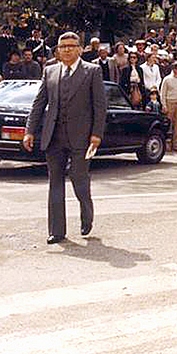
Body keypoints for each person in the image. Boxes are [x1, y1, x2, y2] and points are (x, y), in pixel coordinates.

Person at [23, 32, 107, 244]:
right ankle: (57, 231)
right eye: (63, 47)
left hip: (82, 138)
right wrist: (29, 131)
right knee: (55, 183)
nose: (67, 50)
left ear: (80, 49)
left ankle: (86, 213)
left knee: (79, 179)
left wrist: (96, 135)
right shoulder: (50, 71)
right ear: (58, 51)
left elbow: (100, 106)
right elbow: (39, 103)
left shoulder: (92, 71)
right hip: (54, 137)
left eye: (71, 46)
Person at [160, 62, 177, 152]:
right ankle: (167, 144)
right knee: (168, 124)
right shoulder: (167, 79)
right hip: (169, 103)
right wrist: (164, 105)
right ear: (174, 69)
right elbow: (163, 93)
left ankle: (176, 144)